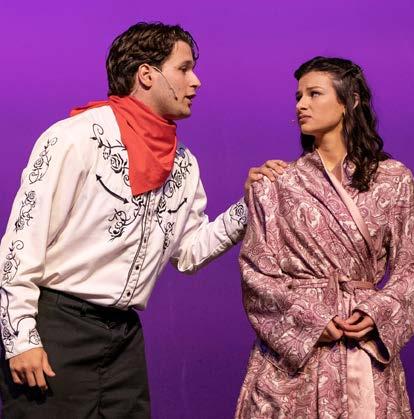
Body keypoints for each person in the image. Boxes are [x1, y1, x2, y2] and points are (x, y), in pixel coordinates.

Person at [0, 22, 286, 418]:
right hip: (58, 328)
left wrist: (248, 205)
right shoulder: (75, 137)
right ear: (147, 74)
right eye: (184, 69)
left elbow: (189, 253)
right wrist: (20, 337)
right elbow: (22, 241)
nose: (196, 81)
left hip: (123, 339)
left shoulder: (183, 163)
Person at [236, 56, 414, 418]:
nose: (301, 104)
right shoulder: (277, 183)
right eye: (298, 96)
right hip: (295, 359)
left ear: (349, 101)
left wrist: (376, 312)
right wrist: (312, 320)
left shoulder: (393, 180)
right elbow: (257, 272)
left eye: (314, 94)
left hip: (363, 341)